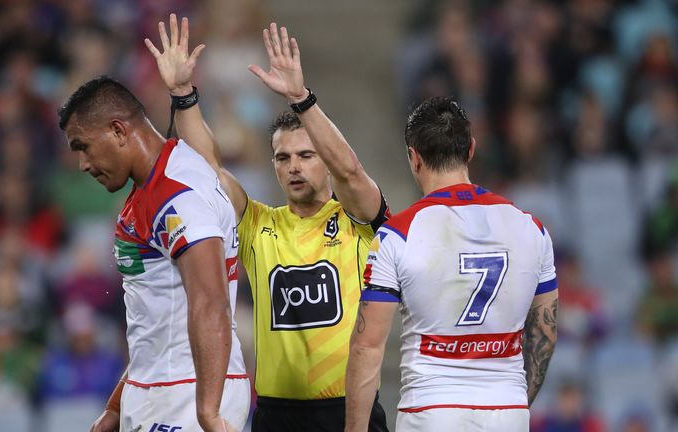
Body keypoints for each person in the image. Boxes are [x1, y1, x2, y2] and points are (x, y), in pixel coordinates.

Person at [143, 14, 389, 431]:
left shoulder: (358, 221)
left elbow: (350, 173)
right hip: (276, 415)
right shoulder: (258, 224)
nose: (293, 167)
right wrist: (183, 94)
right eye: (282, 158)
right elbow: (208, 168)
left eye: (306, 156)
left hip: (350, 411)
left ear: (325, 161)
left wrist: (302, 100)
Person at [345, 97, 558, 431]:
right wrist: (511, 401)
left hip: (431, 409)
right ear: (470, 150)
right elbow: (545, 329)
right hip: (507, 409)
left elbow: (367, 345)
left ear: (414, 158)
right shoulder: (531, 229)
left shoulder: (397, 235)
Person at [57, 75, 249, 432]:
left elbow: (212, 301)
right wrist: (117, 406)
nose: (83, 163)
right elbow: (159, 321)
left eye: (83, 146)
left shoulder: (176, 197)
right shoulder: (155, 187)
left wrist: (207, 412)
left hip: (186, 393)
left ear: (118, 130)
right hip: (162, 386)